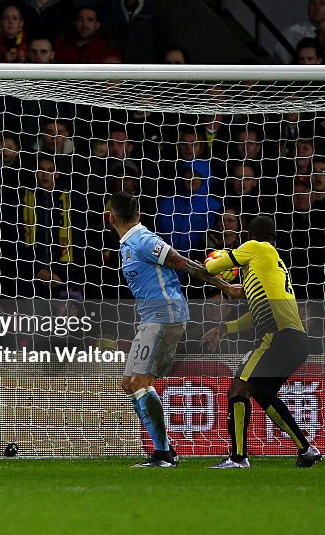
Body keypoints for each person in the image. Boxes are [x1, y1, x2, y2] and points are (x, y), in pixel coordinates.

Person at [110, 191, 243, 468]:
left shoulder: (143, 239)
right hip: (151, 317)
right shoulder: (128, 243)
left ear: (109, 218)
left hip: (165, 315)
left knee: (139, 382)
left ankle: (163, 454)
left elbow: (183, 263)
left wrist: (225, 286)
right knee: (129, 384)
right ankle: (165, 450)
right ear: (139, 214)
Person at [202, 216, 323, 469]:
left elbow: (213, 266)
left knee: (238, 389)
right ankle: (306, 449)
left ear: (248, 235)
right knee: (263, 394)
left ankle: (238, 458)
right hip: (297, 340)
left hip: (277, 337)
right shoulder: (272, 264)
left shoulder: (255, 248)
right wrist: (225, 328)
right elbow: (253, 316)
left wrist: (216, 256)